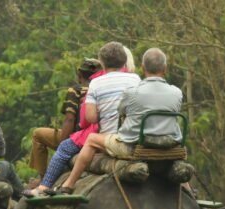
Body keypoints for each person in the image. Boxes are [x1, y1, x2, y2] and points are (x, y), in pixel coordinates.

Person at [57, 47, 178, 193]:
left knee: (91, 139)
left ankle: (68, 184)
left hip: (135, 146)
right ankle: (190, 191)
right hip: (170, 145)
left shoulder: (132, 92)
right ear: (165, 68)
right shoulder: (177, 92)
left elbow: (120, 112)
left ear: (143, 67)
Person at [45, 42, 141, 194]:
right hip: (138, 137)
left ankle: (65, 184)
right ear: (124, 62)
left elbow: (91, 118)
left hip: (115, 140)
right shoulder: (136, 80)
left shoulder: (96, 83)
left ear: (102, 63)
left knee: (82, 142)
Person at [28, 58, 102, 176]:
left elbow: (69, 119)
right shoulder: (102, 89)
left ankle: (42, 176)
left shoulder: (75, 91)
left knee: (37, 134)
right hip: (99, 137)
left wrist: (61, 148)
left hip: (76, 137)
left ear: (79, 75)